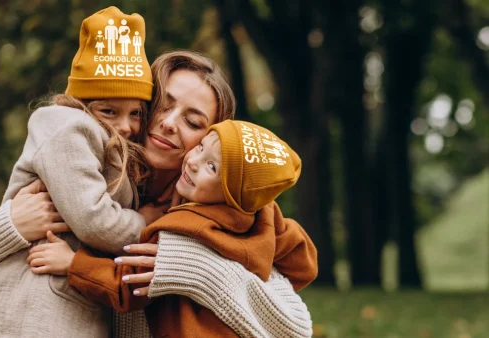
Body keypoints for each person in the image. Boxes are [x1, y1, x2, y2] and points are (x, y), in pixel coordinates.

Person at [0, 23, 314, 338]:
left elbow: (294, 326)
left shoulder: (228, 204)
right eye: (163, 105)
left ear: (214, 139)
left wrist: (190, 267)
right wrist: (9, 227)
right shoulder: (80, 179)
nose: (169, 122)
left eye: (193, 121)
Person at [0, 6, 155, 337]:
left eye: (136, 113)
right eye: (109, 110)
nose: (126, 126)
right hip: (33, 310)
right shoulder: (67, 127)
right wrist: (147, 223)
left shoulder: (111, 144)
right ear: (82, 104)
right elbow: (95, 220)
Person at [32, 121, 317, 337]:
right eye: (202, 147)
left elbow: (127, 288)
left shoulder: (179, 230)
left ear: (233, 194)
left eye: (212, 167)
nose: (193, 162)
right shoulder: (264, 219)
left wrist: (72, 263)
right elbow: (304, 266)